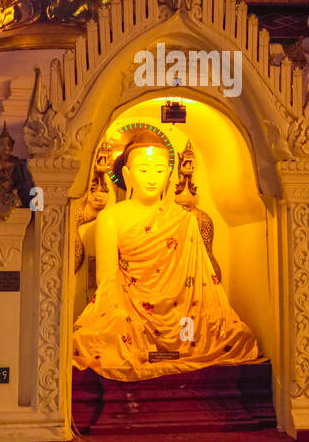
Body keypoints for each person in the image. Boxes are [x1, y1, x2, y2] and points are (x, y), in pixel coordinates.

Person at [72, 127, 259, 380]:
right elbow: (107, 282)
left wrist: (173, 304)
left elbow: (199, 282)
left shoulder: (184, 219)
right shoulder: (110, 218)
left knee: (235, 336)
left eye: (160, 170)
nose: (152, 178)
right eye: (144, 169)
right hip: (129, 308)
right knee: (90, 340)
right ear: (127, 174)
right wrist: (134, 310)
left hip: (180, 310)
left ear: (169, 174)